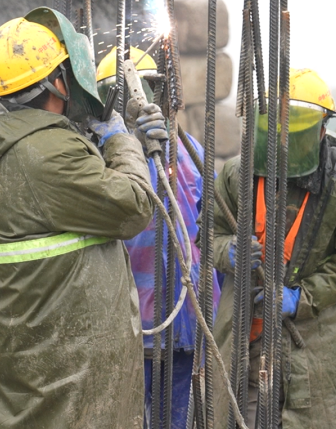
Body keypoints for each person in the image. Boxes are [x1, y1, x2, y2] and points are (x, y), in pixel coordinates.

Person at [0, 8, 168, 429]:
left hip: (39, 380)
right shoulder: (47, 154)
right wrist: (121, 140)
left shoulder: (9, 145)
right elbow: (134, 206)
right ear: (57, 82)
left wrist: (119, 141)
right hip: (70, 389)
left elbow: (75, 195)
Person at [211, 68, 336, 428]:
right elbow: (209, 232)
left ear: (321, 130)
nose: (284, 141)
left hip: (315, 349)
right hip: (248, 348)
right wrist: (228, 250)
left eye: (296, 131)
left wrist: (301, 297)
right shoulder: (237, 176)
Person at [95, 48, 223, 429]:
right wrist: (133, 149)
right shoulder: (97, 159)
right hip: (129, 330)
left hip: (186, 326)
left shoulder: (189, 153)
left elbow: (211, 225)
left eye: (150, 90)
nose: (142, 103)